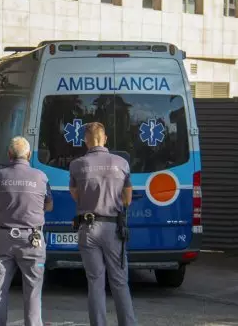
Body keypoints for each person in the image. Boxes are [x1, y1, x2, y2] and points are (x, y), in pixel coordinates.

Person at [69, 122, 137, 326]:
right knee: (119, 282)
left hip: (88, 228)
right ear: (105, 138)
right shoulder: (122, 163)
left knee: (95, 283)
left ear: (85, 141)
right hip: (113, 228)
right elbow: (128, 198)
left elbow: (75, 195)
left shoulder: (77, 164)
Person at [0, 136, 53, 326]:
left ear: (9, 155)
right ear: (28, 154)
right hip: (32, 239)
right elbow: (48, 205)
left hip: (3, 238)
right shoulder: (40, 176)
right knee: (33, 290)